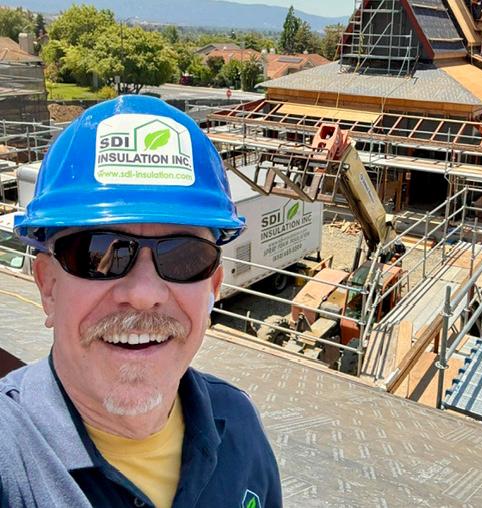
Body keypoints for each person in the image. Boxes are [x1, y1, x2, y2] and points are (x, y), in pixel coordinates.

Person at [0, 96, 282, 507]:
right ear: (48, 286)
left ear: (213, 286)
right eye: (98, 253)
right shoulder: (9, 458)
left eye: (185, 257)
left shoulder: (239, 423)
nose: (144, 294)